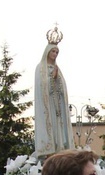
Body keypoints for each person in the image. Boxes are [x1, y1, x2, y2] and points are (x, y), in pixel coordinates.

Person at [33, 26, 74, 158]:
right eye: (53, 51)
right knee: (51, 126)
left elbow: (63, 88)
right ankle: (49, 151)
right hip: (48, 105)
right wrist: (52, 78)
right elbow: (41, 86)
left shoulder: (57, 68)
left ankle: (61, 148)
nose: (55, 54)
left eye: (57, 52)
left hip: (58, 106)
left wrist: (57, 79)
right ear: (47, 52)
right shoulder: (40, 68)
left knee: (59, 128)